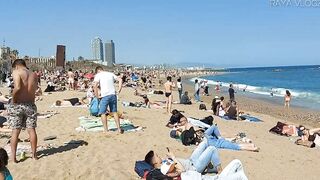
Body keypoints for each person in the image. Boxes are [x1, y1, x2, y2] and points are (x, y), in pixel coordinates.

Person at [8, 59, 38, 162]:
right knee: (31, 130)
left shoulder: (17, 71)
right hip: (30, 104)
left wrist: (13, 99)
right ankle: (34, 156)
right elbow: (34, 90)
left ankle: (13, 158)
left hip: (18, 104)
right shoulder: (34, 74)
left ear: (16, 66)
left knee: (15, 131)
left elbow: (18, 87)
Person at [144, 140, 222, 177]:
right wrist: (172, 157)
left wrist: (169, 158)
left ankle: (208, 166)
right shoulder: (164, 169)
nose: (159, 156)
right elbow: (182, 171)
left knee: (204, 143)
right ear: (155, 163)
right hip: (194, 168)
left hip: (190, 160)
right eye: (157, 156)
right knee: (212, 149)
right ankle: (220, 171)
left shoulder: (164, 162)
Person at [93, 66, 123, 134]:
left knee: (102, 113)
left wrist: (97, 95)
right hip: (113, 94)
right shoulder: (110, 73)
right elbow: (120, 80)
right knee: (114, 112)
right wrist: (119, 90)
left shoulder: (98, 75)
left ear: (97, 71)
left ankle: (106, 130)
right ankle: (119, 129)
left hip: (105, 95)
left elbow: (95, 85)